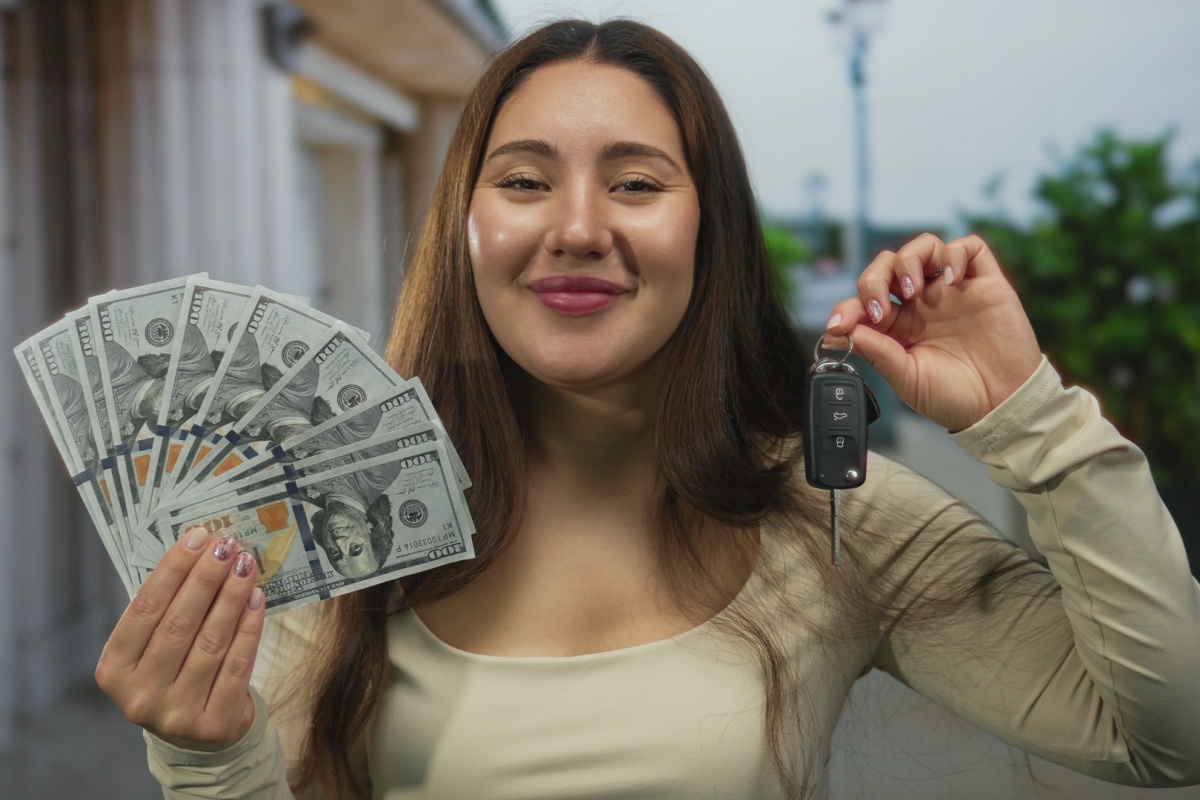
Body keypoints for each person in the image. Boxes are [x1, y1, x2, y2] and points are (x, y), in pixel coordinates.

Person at [94, 18, 1200, 799]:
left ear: (708, 230)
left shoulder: (831, 518)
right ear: (463, 229)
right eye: (524, 181)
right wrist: (204, 756)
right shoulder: (321, 533)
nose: (578, 225)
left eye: (635, 182)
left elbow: (1168, 736)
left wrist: (1030, 415)